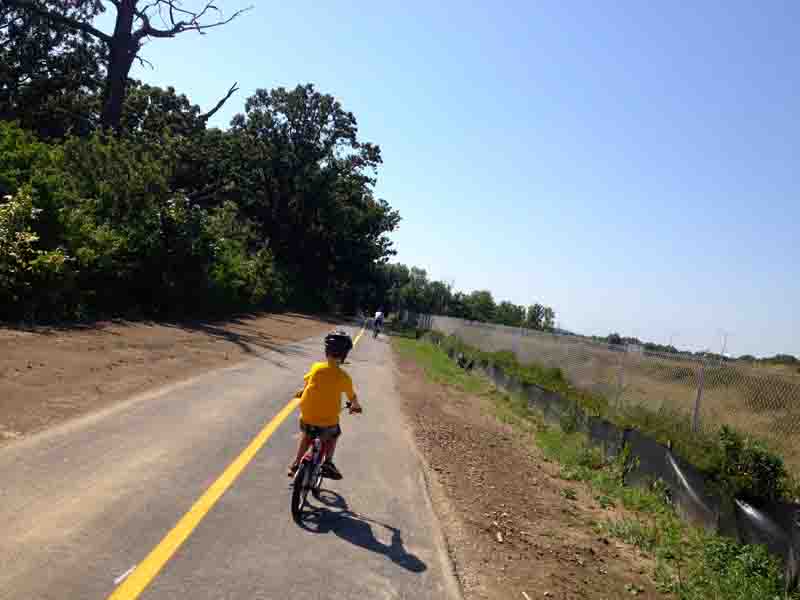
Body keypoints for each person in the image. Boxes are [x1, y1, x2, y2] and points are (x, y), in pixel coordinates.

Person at [288, 330, 361, 480]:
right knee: (334, 434)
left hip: (307, 416)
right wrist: (355, 406)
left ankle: (296, 464)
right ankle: (327, 462)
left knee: (307, 435)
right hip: (328, 421)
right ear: (344, 355)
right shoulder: (344, 377)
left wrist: (302, 392)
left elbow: (308, 383)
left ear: (326, 351)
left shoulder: (316, 368)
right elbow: (352, 396)